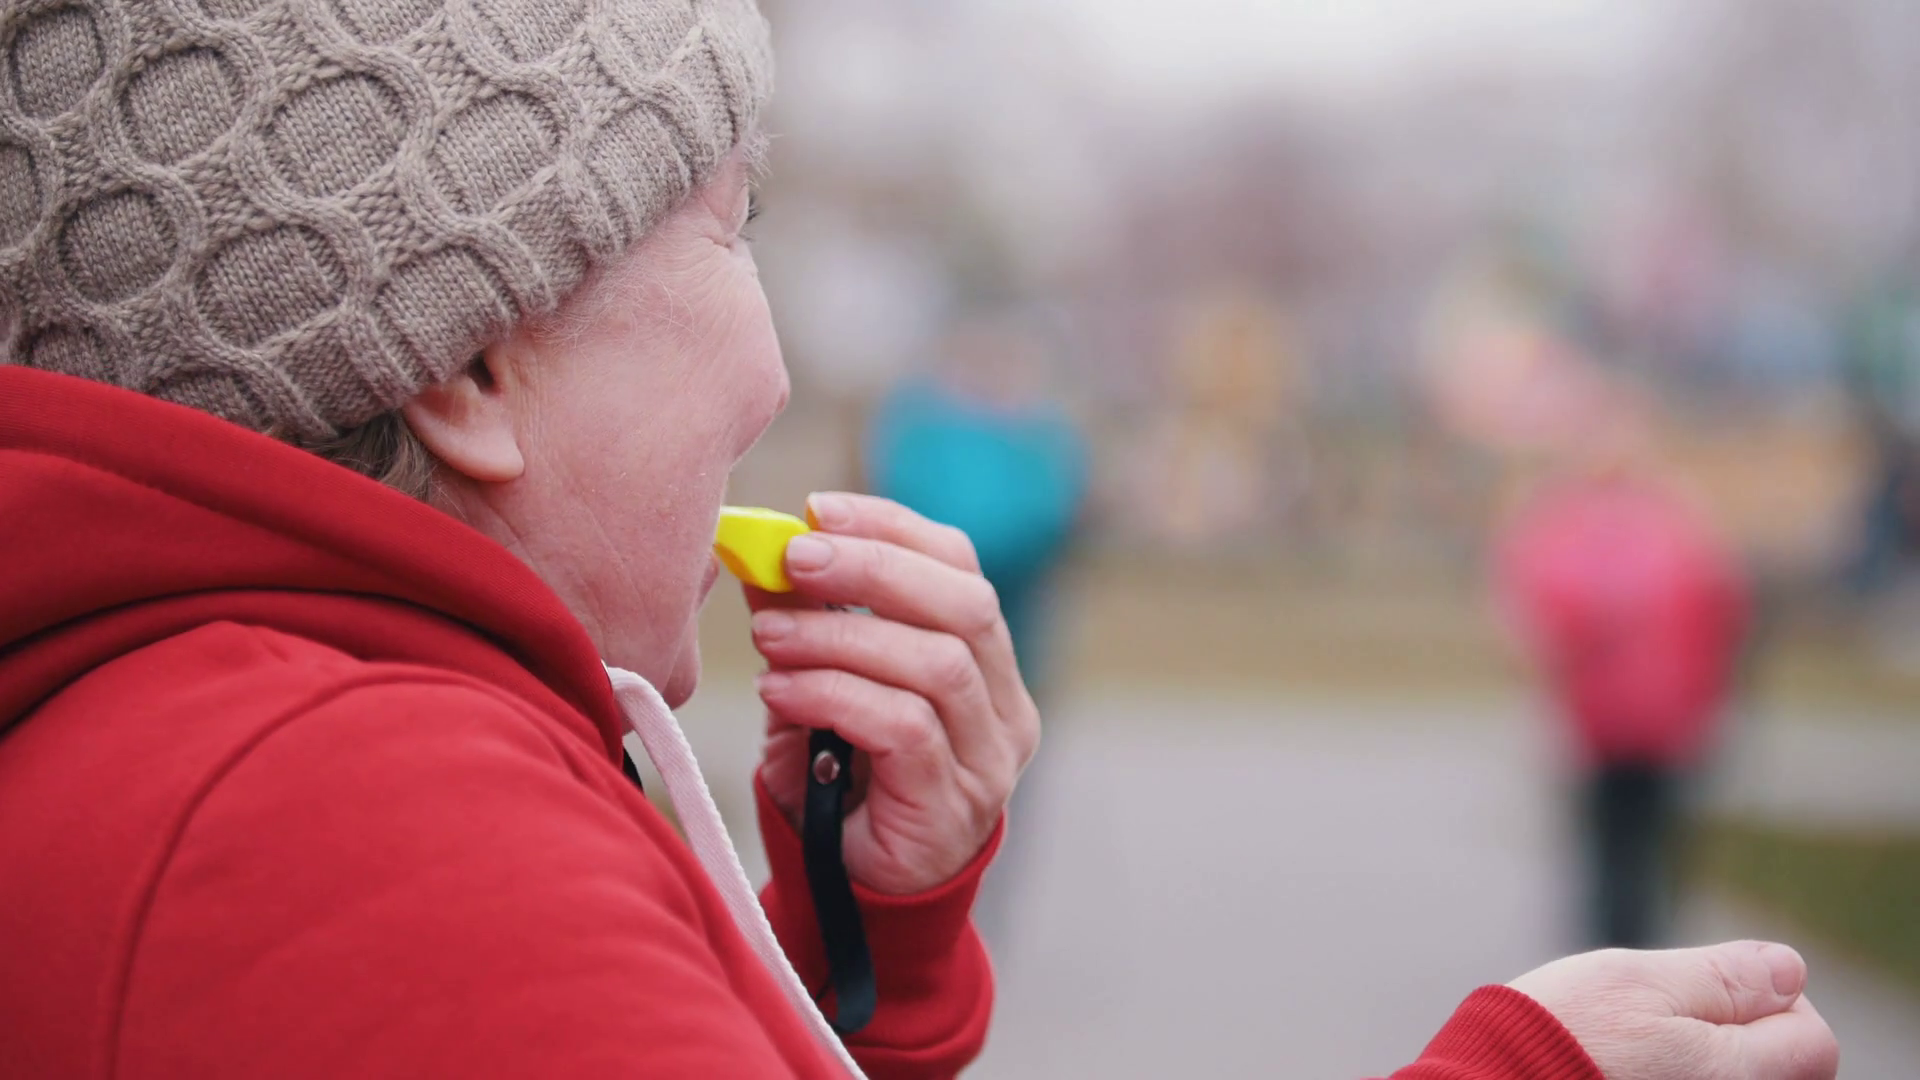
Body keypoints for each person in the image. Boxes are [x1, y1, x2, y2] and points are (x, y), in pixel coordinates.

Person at [0, 2, 1834, 1078]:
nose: (778, 366)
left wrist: (861, 953)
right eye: (732, 231)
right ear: (472, 365)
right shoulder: (353, 811)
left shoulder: (231, 740)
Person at [1499, 460, 1751, 948]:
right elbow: (1726, 619)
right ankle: (1652, 945)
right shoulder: (1684, 534)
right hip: (1670, 722)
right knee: (1657, 841)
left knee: (1604, 845)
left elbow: (1540, 631)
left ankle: (1607, 951)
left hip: (1595, 722)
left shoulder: (1565, 537)